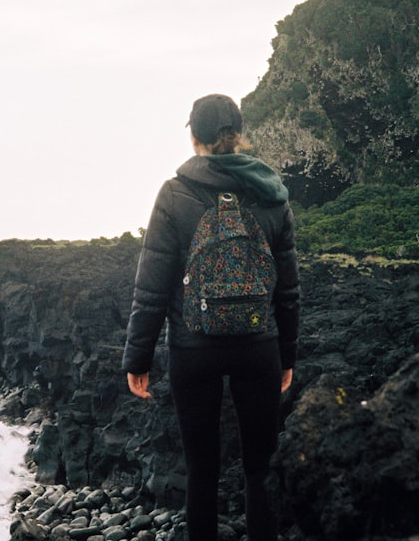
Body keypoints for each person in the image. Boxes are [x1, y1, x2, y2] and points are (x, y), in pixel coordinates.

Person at [122, 93, 300, 541]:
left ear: (195, 137)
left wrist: (137, 359)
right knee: (260, 467)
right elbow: (288, 289)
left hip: (193, 348)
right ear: (237, 135)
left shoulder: (174, 193)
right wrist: (287, 355)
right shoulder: (272, 193)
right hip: (259, 347)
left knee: (201, 472)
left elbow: (152, 286)